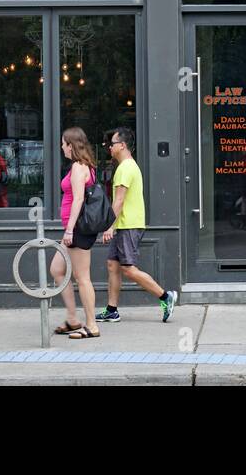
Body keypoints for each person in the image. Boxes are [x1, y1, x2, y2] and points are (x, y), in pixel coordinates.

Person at [97, 127, 178, 323]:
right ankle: (112, 310)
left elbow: (119, 201)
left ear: (122, 145)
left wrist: (110, 226)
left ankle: (165, 296)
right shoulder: (128, 166)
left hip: (128, 225)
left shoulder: (125, 168)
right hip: (124, 224)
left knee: (128, 268)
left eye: (112, 144)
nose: (109, 147)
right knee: (113, 265)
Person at [51, 127, 101, 339]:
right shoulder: (81, 166)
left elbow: (79, 199)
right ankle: (72, 319)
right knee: (57, 270)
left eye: (63, 143)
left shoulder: (79, 167)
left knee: (82, 277)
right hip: (71, 230)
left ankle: (92, 326)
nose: (61, 147)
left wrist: (70, 229)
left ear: (70, 145)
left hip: (77, 229)